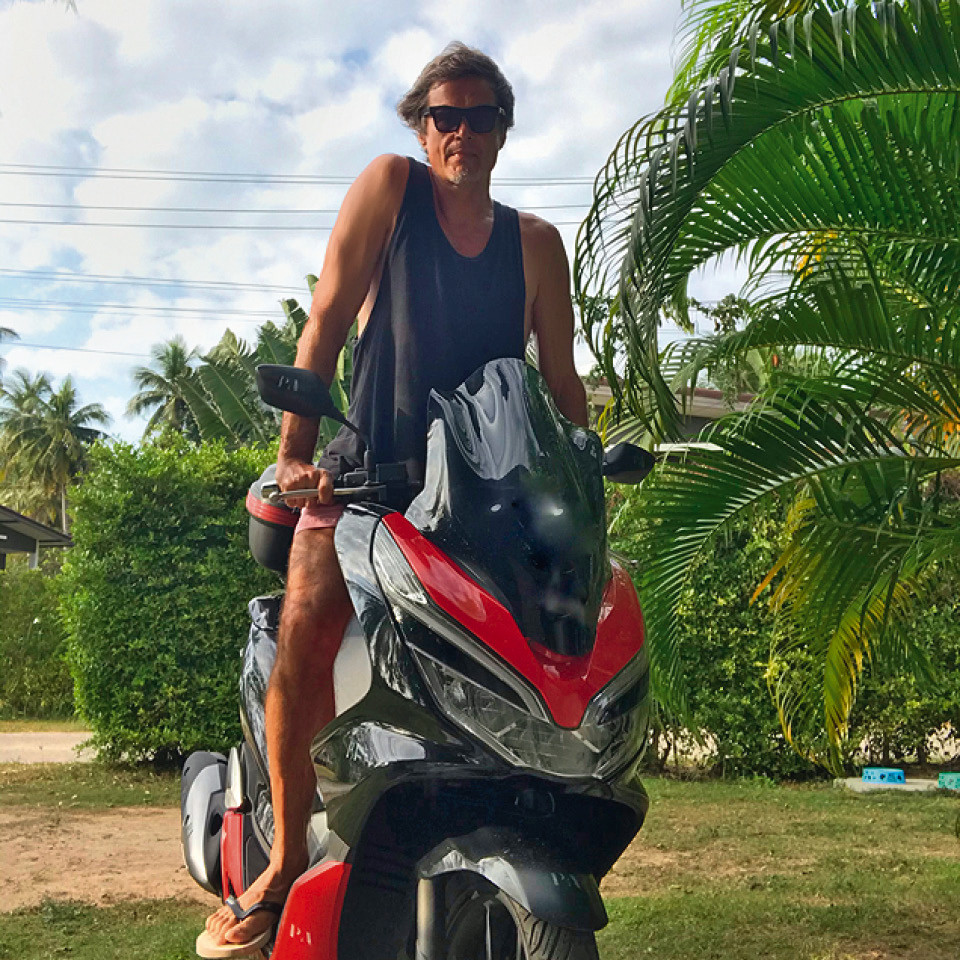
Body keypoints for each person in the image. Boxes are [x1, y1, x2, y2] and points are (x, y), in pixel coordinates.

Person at [200, 41, 588, 956]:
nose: (462, 133)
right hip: (365, 481)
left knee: (551, 648)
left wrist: (583, 476)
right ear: (422, 127)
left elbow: (563, 384)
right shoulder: (390, 188)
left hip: (483, 504)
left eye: (480, 117)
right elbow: (327, 319)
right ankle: (283, 862)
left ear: (502, 133)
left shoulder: (536, 245)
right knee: (305, 627)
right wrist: (295, 458)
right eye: (445, 117)